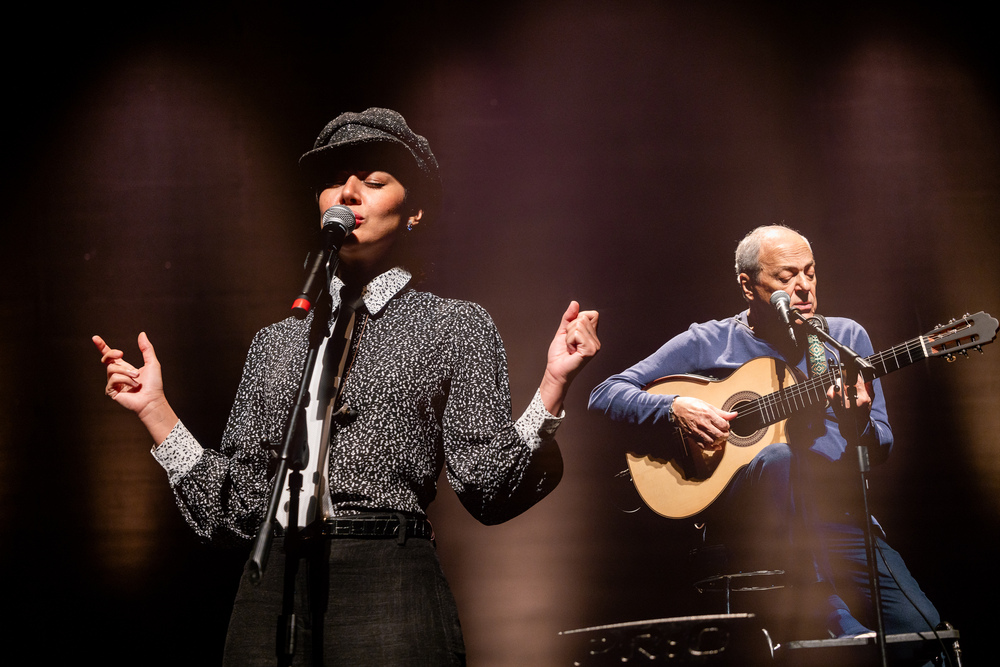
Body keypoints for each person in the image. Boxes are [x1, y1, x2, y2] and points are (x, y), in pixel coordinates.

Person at [93, 108, 600, 666]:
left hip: (387, 576)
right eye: (334, 182)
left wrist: (553, 384)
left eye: (375, 181)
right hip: (273, 586)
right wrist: (157, 412)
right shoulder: (276, 342)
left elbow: (488, 486)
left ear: (415, 211)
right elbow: (237, 507)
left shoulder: (455, 325)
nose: (349, 193)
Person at [589, 225, 939, 642]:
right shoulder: (710, 342)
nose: (804, 287)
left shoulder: (844, 341)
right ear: (748, 285)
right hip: (755, 522)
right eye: (787, 277)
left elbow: (880, 447)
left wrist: (857, 422)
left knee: (926, 635)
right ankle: (829, 613)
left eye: (810, 272)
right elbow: (605, 393)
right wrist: (675, 407)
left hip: (839, 520)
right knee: (780, 457)